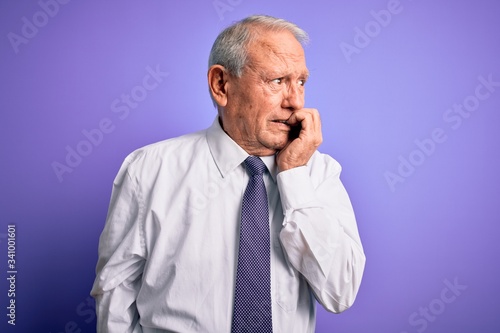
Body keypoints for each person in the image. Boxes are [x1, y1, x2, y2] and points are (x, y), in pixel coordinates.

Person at [91, 14, 366, 333]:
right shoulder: (149, 169)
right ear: (221, 84)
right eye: (277, 81)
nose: (295, 101)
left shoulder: (318, 173)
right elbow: (116, 293)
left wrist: (294, 176)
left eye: (301, 82)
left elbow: (340, 292)